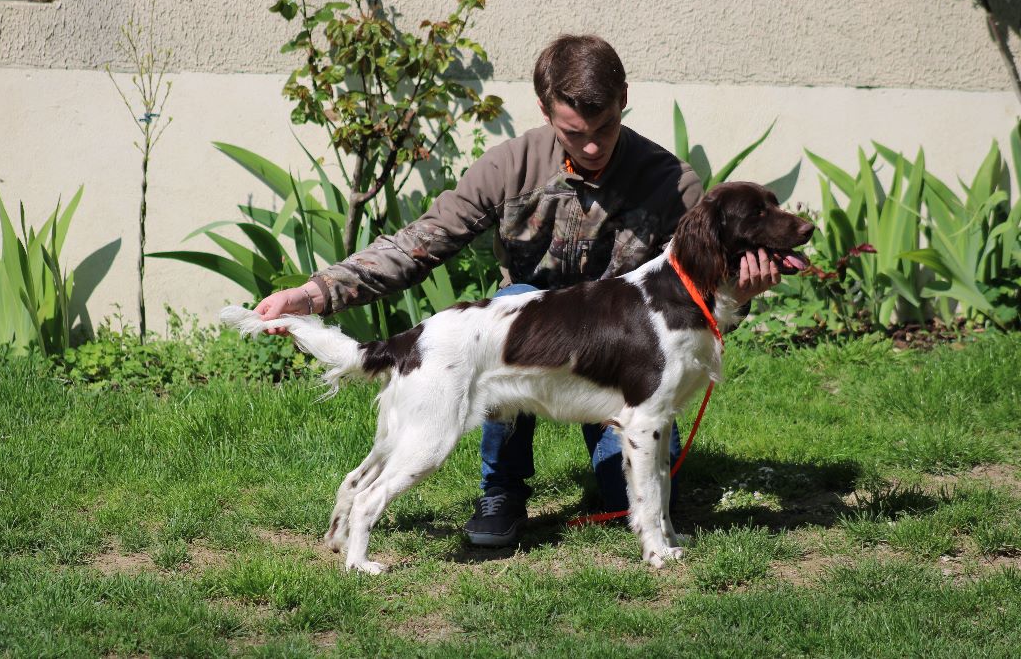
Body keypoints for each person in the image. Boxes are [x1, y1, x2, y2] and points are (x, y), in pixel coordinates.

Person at [253, 34, 781, 546]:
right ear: (544, 110)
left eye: (606, 126)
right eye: (575, 132)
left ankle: (617, 484)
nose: (593, 145)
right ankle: (501, 489)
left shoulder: (670, 182)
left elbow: (697, 283)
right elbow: (419, 244)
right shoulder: (510, 166)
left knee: (620, 490)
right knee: (512, 300)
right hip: (522, 336)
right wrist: (316, 293)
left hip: (620, 352)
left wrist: (745, 291)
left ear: (624, 100)